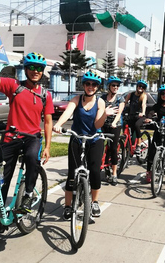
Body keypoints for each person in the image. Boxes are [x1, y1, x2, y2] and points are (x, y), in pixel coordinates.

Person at [0, 36, 54, 214]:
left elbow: (48, 122)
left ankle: (28, 193)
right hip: (11, 137)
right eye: (32, 68)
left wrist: (48, 146)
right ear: (26, 69)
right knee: (0, 175)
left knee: (31, 157)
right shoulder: (14, 86)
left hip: (32, 138)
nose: (35, 71)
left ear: (42, 71)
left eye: (39, 69)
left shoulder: (46, 95)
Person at [53, 71, 117, 219]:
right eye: (88, 83)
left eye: (94, 84)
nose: (91, 86)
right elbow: (68, 113)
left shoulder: (100, 102)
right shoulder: (76, 99)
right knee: (71, 173)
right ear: (84, 85)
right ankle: (68, 206)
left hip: (94, 139)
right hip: (77, 138)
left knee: (94, 171)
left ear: (97, 87)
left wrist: (105, 115)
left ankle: (94, 202)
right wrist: (59, 124)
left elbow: (97, 124)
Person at [101, 76, 125, 186]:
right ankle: (103, 165)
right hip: (103, 124)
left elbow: (119, 113)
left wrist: (114, 123)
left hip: (115, 125)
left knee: (113, 148)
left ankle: (114, 173)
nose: (115, 87)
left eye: (117, 85)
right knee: (99, 145)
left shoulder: (120, 99)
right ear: (109, 86)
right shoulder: (102, 98)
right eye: (113, 85)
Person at [124, 79, 148, 153]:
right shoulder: (131, 94)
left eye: (143, 87)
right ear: (137, 86)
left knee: (137, 125)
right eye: (140, 86)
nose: (141, 88)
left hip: (140, 116)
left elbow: (144, 104)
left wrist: (143, 112)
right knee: (125, 125)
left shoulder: (144, 96)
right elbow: (124, 103)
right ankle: (126, 144)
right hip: (132, 115)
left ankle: (138, 144)